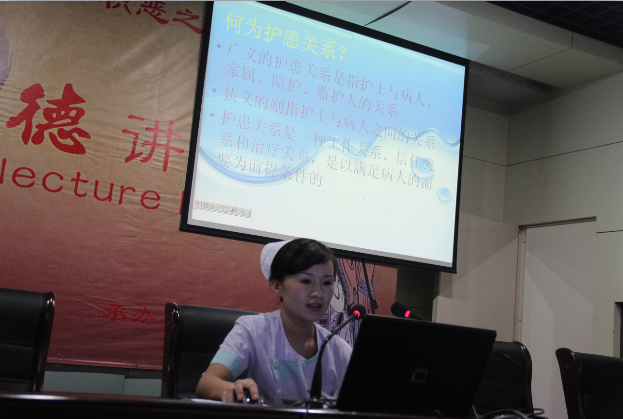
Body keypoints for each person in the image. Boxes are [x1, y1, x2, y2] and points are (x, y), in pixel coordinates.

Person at [196, 238, 353, 405]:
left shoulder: (339, 349)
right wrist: (232, 388)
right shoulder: (252, 330)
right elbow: (207, 383)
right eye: (306, 281)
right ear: (277, 286)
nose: (318, 293)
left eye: (327, 282)